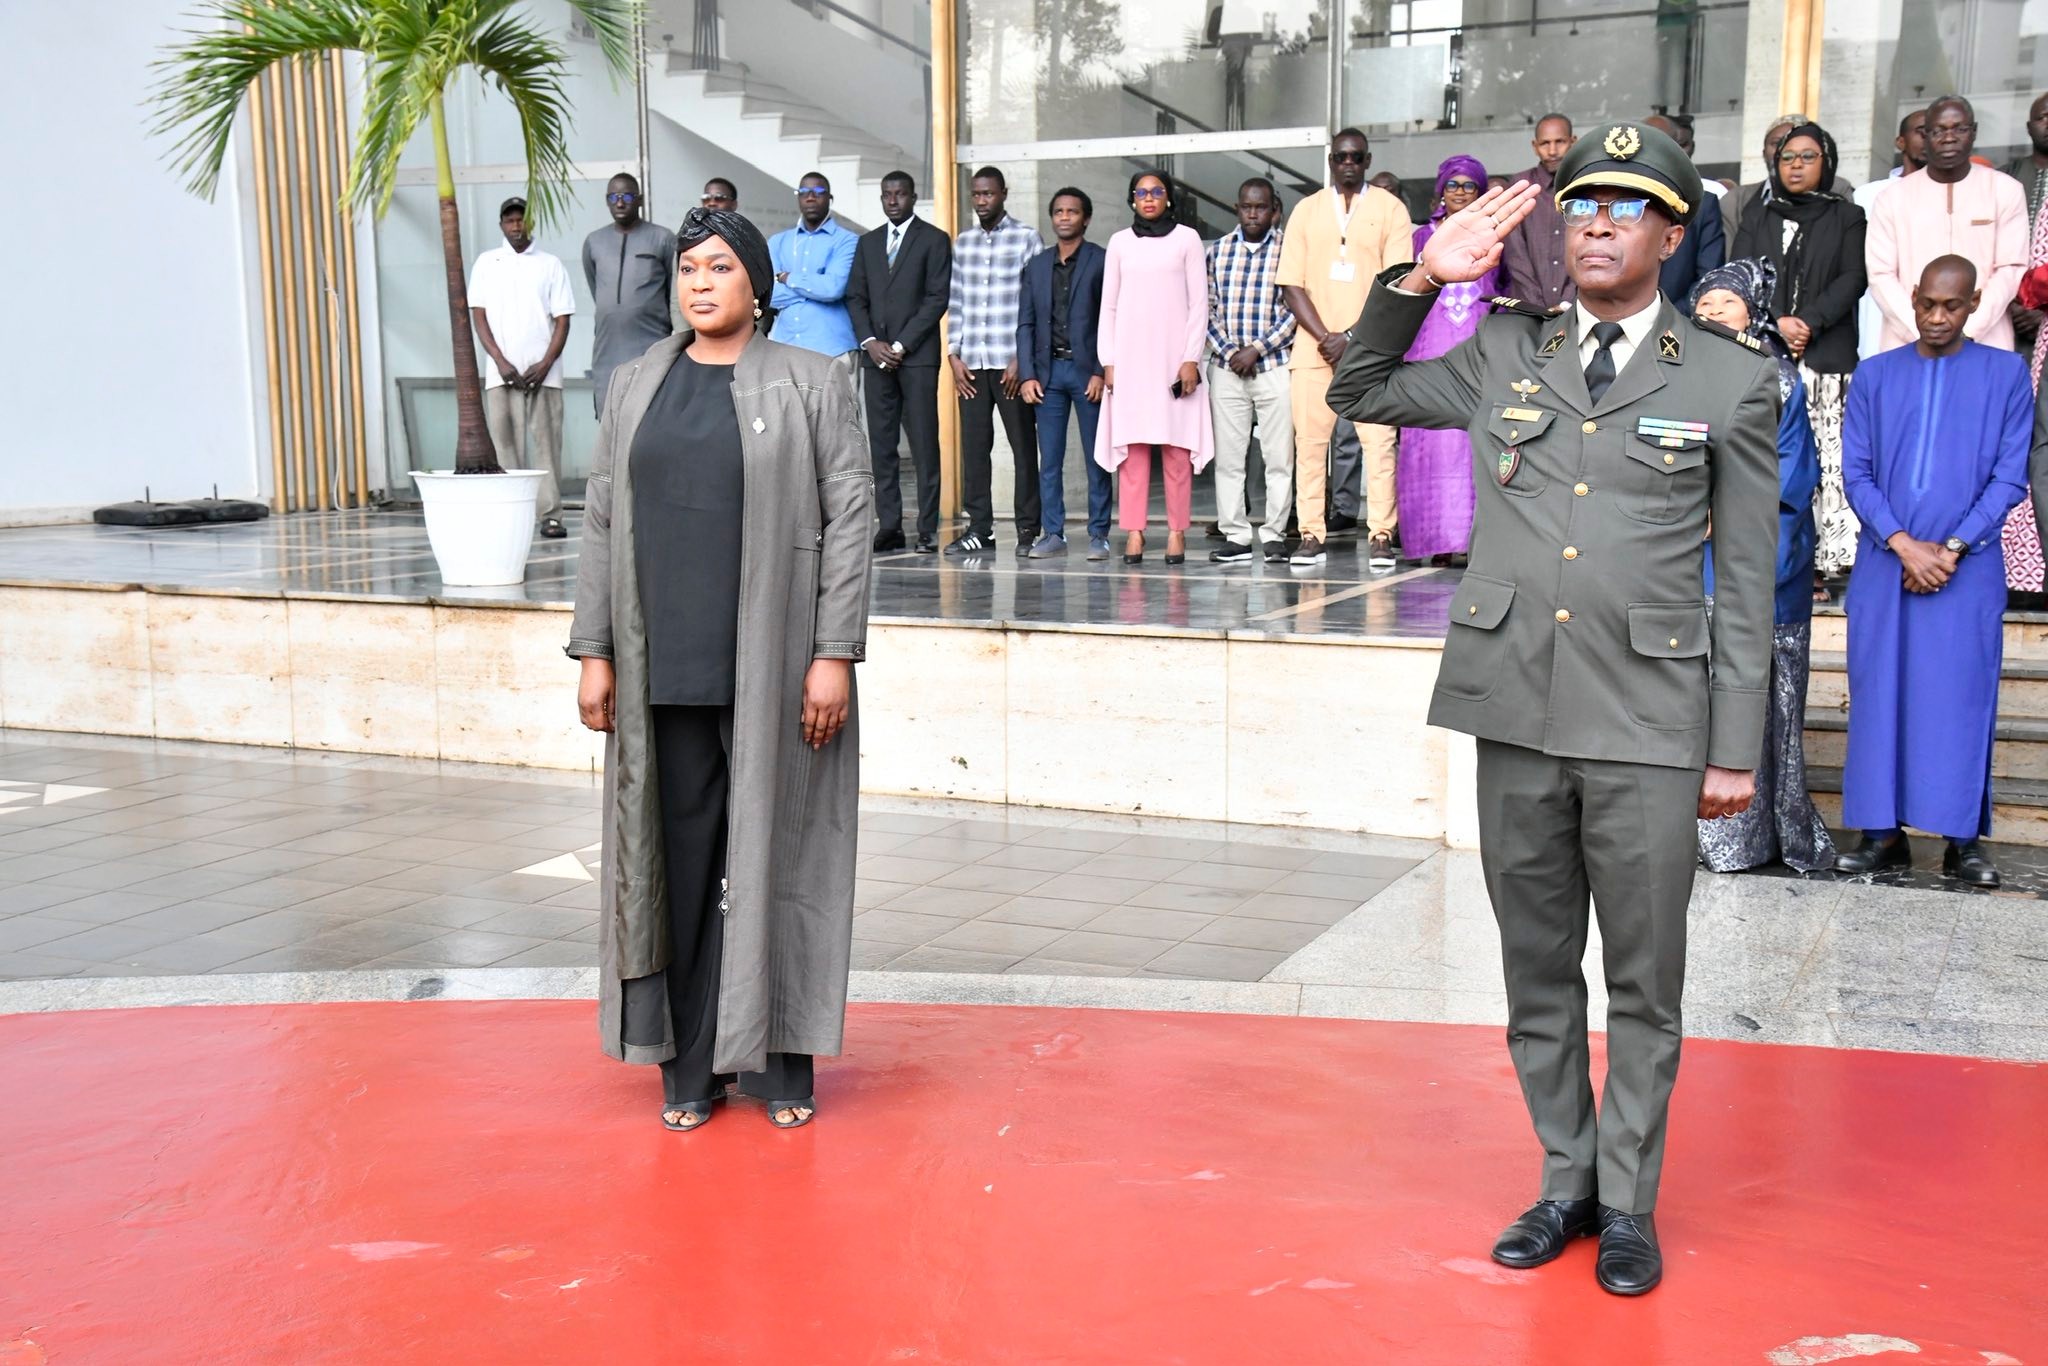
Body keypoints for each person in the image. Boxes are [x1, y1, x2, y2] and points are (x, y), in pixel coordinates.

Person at [1328, 124, 1781, 1297]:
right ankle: (1563, 1179)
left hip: (1647, 723)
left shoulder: (1728, 380)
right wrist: (1421, 275)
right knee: (1535, 970)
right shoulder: (1501, 350)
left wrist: (1732, 747)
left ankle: (1626, 1202)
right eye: (1579, 206)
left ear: (1669, 236)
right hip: (1516, 710)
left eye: (1625, 209)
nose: (1595, 226)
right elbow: (1359, 386)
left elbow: (1743, 579)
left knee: (1641, 980)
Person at [567, 206, 873, 1134]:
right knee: (680, 867)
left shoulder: (814, 381)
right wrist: (594, 649)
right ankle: (690, 1066)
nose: (700, 284)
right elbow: (601, 518)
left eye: (721, 268)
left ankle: (780, 1063)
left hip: (778, 665)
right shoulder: (635, 384)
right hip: (662, 667)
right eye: (690, 269)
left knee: (782, 858)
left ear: (757, 284)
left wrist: (833, 654)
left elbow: (851, 521)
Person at [1833, 256, 2029, 890]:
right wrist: (1903, 544)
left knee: (1959, 697)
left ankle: (1961, 841)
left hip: (1965, 569)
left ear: (1974, 304)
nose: (1937, 317)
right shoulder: (1874, 374)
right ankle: (1881, 834)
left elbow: (2010, 476)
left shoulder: (2006, 374)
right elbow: (1856, 473)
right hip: (1885, 564)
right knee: (1879, 694)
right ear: (1912, 298)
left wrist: (1951, 548)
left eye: (1952, 306)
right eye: (1928, 304)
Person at [1688, 261, 1834, 873]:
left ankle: (1754, 837)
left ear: (1754, 311)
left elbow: (1792, 478)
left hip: (1759, 555)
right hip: (1685, 560)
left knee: (1760, 702)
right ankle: (1689, 836)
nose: (1714, 312)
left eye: (1728, 301)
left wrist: (1727, 512)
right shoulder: (1676, 372)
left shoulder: (1778, 379)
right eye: (1705, 303)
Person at [1733, 121, 1867, 603]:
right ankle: (1776, 561)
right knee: (1777, 464)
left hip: (1827, 357)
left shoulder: (1847, 216)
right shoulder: (1758, 214)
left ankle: (1822, 566)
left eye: (1808, 157)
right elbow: (1742, 274)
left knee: (1826, 464)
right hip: (1766, 357)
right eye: (1788, 157)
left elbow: (1853, 277)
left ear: (1826, 163)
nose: (1796, 165)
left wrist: (1809, 321)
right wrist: (1777, 322)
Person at [1276, 128, 1412, 568]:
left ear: (1367, 160)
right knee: (1310, 446)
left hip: (1370, 350)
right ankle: (1310, 534)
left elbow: (1398, 282)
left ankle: (1381, 534)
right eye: (1340, 157)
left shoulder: (1390, 209)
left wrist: (1352, 337)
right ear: (1331, 161)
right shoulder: (1307, 210)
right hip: (1313, 350)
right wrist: (1327, 338)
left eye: (1356, 157)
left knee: (1379, 444)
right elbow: (1290, 285)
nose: (1348, 164)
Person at [1097, 170, 1214, 566]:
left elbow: (1199, 304)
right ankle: (1134, 531)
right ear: (1133, 199)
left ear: (1168, 198)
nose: (1149, 198)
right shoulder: (1119, 243)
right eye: (1141, 192)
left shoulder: (1187, 239)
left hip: (1174, 360)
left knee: (1177, 449)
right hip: (1131, 361)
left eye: (1157, 191)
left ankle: (1177, 532)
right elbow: (1109, 306)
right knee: (1133, 452)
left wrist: (1190, 358)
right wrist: (1109, 361)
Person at [1867, 96, 2027, 354]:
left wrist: (1969, 329)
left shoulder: (2005, 190)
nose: (1949, 138)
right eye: (1938, 131)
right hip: (1907, 341)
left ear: (1974, 132)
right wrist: (1922, 329)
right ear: (1926, 136)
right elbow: (1881, 274)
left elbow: (2010, 268)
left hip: (1985, 340)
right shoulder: (1892, 198)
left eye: (1959, 129)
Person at [1395, 155, 1493, 565]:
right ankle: (1436, 541)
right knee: (1430, 440)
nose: (1460, 192)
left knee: (1474, 443)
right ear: (1440, 190)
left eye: (1469, 185)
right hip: (1427, 347)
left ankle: (1476, 542)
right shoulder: (1421, 236)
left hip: (1478, 350)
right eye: (1452, 184)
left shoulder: (1496, 234)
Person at [847, 171, 951, 554]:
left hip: (917, 359)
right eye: (887, 195)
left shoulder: (934, 240)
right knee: (882, 445)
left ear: (913, 197)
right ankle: (889, 527)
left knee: (924, 444)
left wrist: (902, 344)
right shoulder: (868, 243)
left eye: (900, 194)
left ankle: (927, 529)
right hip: (876, 360)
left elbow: (937, 298)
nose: (893, 201)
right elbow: (855, 297)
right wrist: (871, 343)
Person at [946, 166, 1044, 557]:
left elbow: (1036, 302)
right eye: (976, 194)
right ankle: (980, 530)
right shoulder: (964, 243)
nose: (982, 200)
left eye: (988, 193)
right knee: (974, 450)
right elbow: (956, 301)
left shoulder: (1026, 238)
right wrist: (953, 355)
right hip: (971, 364)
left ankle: (1028, 529)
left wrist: (1023, 357)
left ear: (1004, 193)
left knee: (1023, 448)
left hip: (1010, 365)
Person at [469, 196, 574, 539]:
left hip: (544, 376)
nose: (516, 226)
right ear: (501, 225)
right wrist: (500, 361)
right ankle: (512, 514)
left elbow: (563, 319)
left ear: (531, 223)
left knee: (547, 447)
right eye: (510, 220)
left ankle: (550, 515)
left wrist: (545, 364)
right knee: (505, 446)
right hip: (502, 375)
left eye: (521, 219)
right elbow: (479, 316)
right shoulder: (487, 263)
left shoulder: (550, 264)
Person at [1205, 176, 1297, 564]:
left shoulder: (1290, 250)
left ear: (1274, 210)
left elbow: (1295, 311)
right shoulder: (1217, 251)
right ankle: (1237, 535)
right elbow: (1207, 309)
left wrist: (1256, 350)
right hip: (1227, 370)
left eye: (1261, 207)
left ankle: (1274, 534)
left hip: (1274, 365)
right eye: (1247, 207)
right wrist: (1232, 353)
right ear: (1237, 208)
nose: (1253, 214)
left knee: (1279, 457)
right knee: (1229, 458)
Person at [1017, 188, 1109, 559]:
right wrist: (1027, 375)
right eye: (1058, 211)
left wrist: (1102, 370)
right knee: (1050, 460)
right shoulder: (1037, 265)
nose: (1065, 217)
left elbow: (1111, 319)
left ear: (1086, 218)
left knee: (1096, 457)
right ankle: (1053, 533)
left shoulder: (1102, 260)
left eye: (1072, 211)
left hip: (1089, 374)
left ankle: (1099, 534)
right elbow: (1025, 323)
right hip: (1048, 374)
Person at [582, 173, 676, 423]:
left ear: (640, 200)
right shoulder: (594, 242)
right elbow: (596, 289)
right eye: (614, 197)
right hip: (607, 349)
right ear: (607, 201)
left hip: (651, 345)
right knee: (610, 419)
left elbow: (675, 295)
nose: (620, 202)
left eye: (627, 196)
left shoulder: (663, 238)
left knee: (649, 419)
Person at [1854, 110, 1930, 367]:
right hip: (1878, 315)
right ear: (1900, 141)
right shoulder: (1867, 195)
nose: (1929, 138)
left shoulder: (1954, 194)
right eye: (1921, 131)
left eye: (1934, 131)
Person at [767, 173, 858, 358]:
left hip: (832, 349)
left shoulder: (847, 241)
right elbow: (767, 294)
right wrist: (815, 288)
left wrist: (787, 278)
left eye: (818, 191)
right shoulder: (777, 242)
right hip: (784, 345)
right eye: (804, 192)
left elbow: (833, 288)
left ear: (830, 198)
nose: (810, 197)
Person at [1644, 115, 1724, 306]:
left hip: (1681, 317)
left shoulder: (1704, 204)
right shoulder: (1616, 203)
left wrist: (1671, 315)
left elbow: (1708, 277)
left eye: (1660, 145)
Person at [1499, 113, 1574, 309]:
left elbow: (1589, 250)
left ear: (1573, 142)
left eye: (1560, 142)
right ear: (1534, 146)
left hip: (1577, 308)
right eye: (1545, 143)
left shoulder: (1584, 186)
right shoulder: (1520, 186)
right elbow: (1515, 256)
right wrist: (1538, 308)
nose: (1552, 151)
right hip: (1527, 309)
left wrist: (1567, 303)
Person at [2001, 92, 2048, 355]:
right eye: (2043, 117)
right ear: (2029, 127)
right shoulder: (2004, 178)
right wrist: (2007, 305)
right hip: (2006, 314)